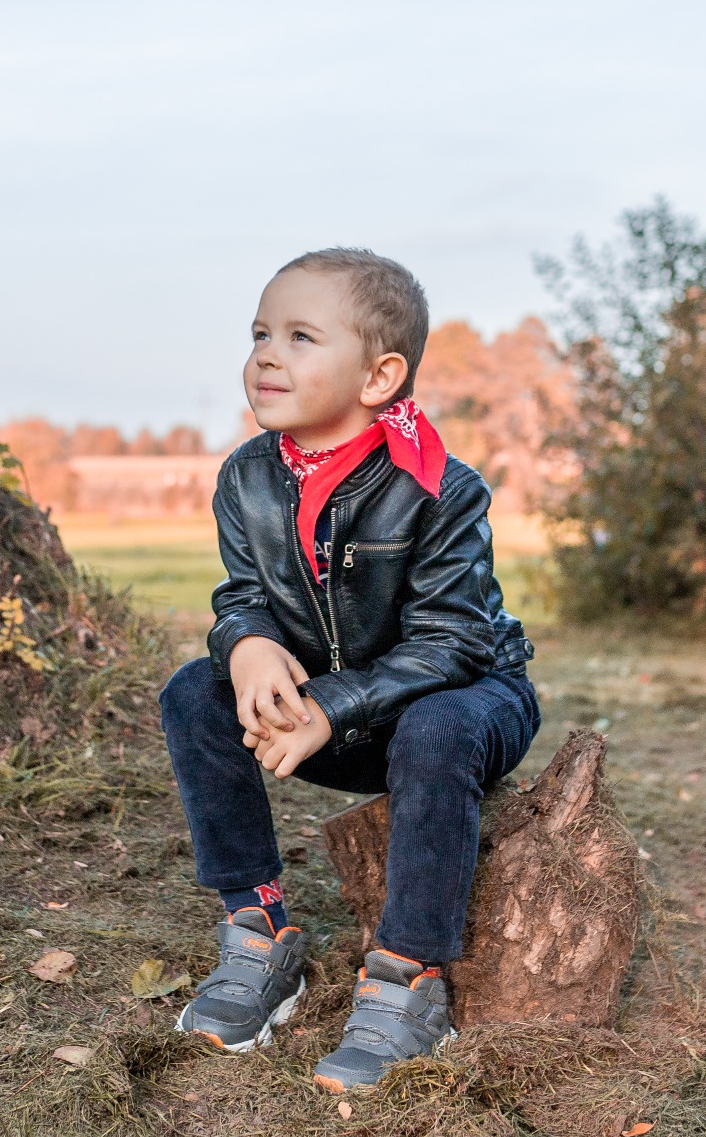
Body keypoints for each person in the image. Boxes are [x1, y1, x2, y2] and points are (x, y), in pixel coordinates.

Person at [161, 247, 538, 1092]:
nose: (267, 355)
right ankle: (258, 930)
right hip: (338, 716)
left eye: (300, 337)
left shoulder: (441, 488)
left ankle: (408, 976)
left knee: (439, 725)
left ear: (379, 376)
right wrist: (246, 642)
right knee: (193, 691)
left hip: (463, 700)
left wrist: (330, 703)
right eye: (260, 333)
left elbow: (453, 644)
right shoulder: (247, 477)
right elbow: (243, 594)